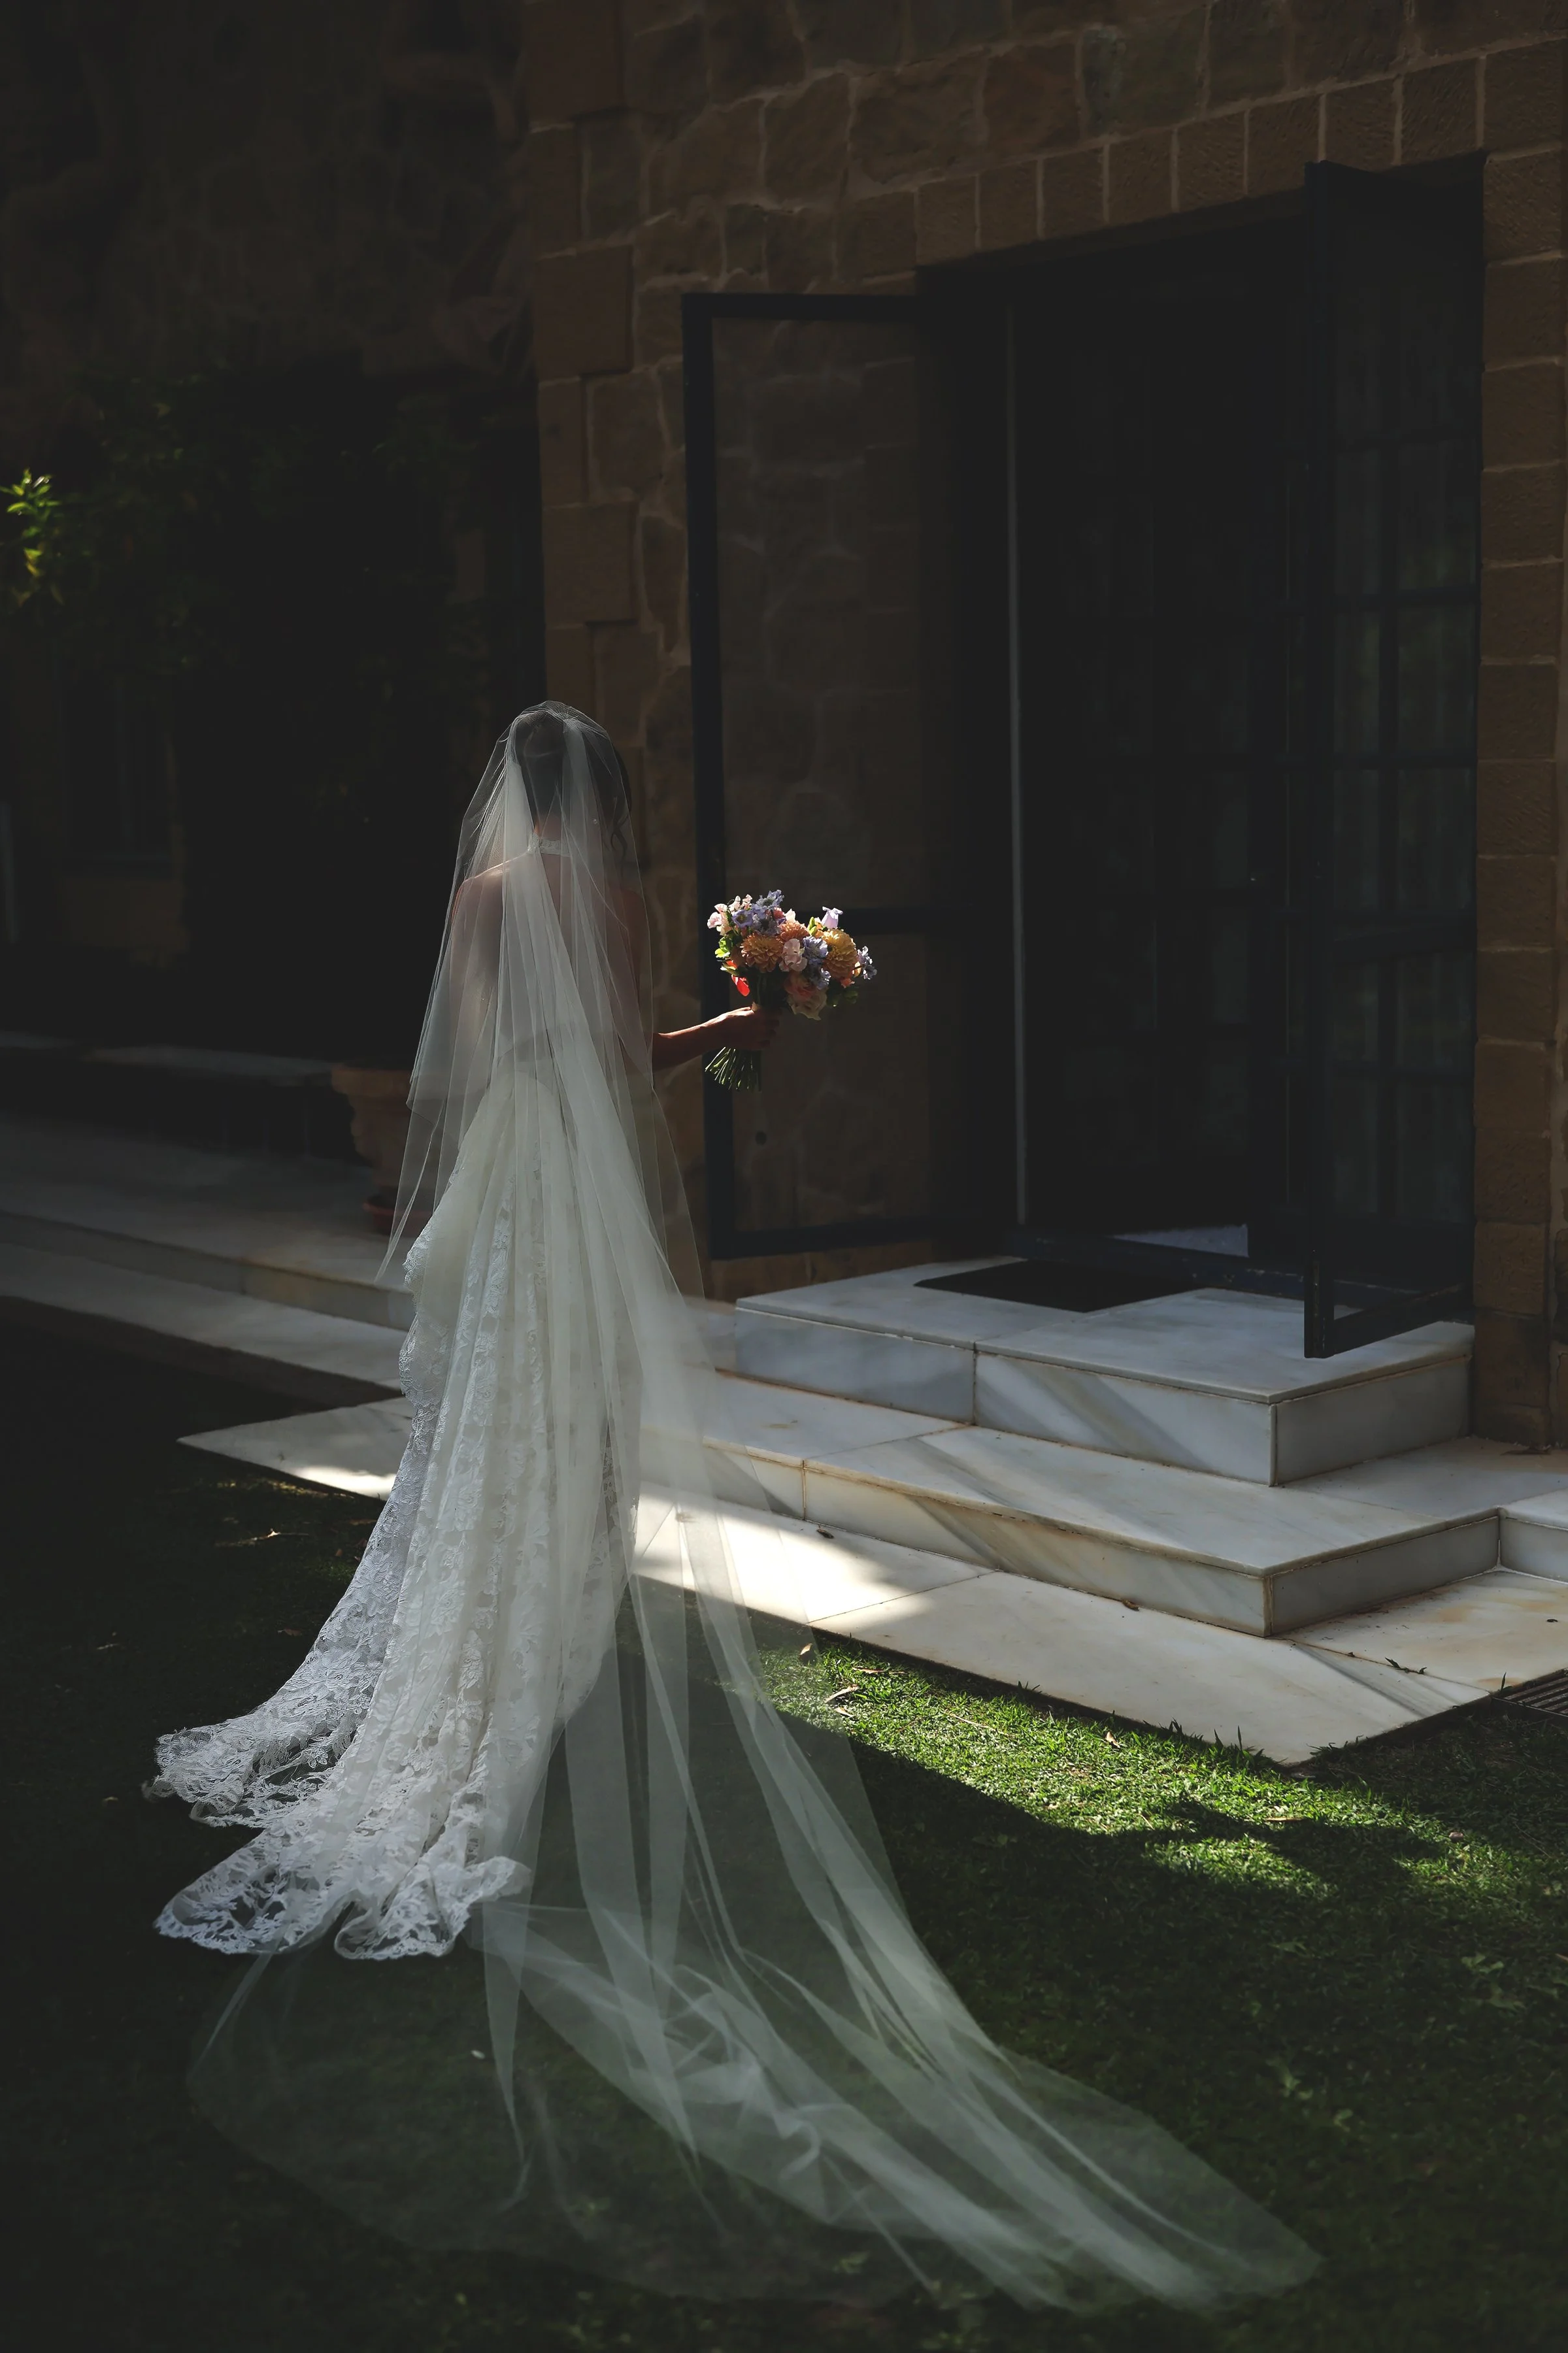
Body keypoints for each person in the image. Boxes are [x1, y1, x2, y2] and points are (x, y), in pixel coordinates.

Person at [149, 704, 1315, 2314]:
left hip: (513, 1169)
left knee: (491, 1414)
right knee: (575, 1418)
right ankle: (539, 1625)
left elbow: (479, 1064)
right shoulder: (606, 901)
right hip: (582, 1186)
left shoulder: (485, 899)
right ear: (602, 800)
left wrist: (675, 1040)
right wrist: (736, 1034)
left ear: (513, 797)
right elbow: (625, 1059)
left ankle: (471, 1640)